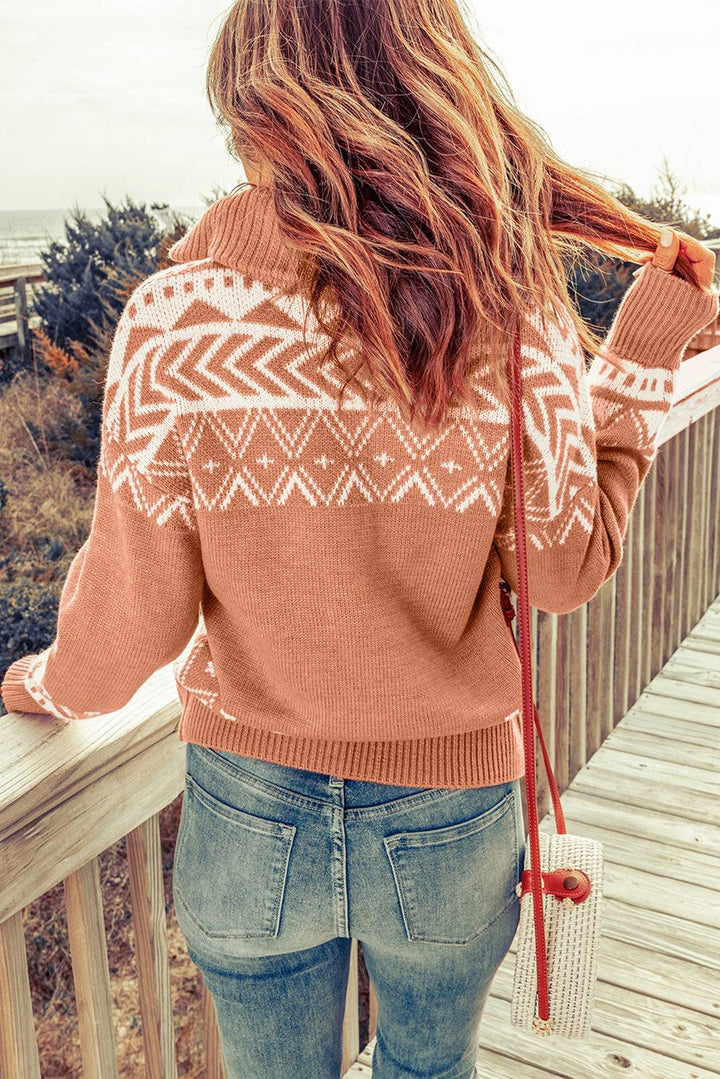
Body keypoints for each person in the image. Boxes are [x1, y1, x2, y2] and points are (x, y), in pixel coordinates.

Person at [2, 1, 717, 1076]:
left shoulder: (175, 319)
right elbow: (565, 568)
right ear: (434, 85)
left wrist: (47, 685)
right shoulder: (505, 310)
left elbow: (124, 635)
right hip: (452, 812)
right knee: (428, 1067)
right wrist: (634, 375)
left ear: (257, 101)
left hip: (251, 807)